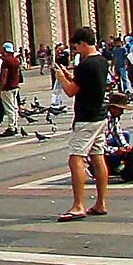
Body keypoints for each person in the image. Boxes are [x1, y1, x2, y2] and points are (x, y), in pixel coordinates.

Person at [53, 27, 112, 223]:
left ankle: (78, 205)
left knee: (75, 159)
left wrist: (61, 78)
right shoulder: (102, 61)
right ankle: (101, 203)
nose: (76, 50)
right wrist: (70, 75)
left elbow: (71, 91)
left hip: (86, 118)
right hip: (100, 116)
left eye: (76, 46)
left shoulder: (85, 65)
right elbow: (85, 84)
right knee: (97, 157)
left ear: (83, 43)